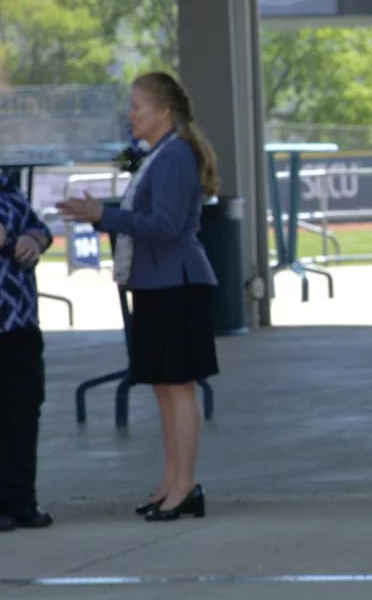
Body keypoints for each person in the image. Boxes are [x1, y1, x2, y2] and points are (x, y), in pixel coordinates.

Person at [57, 72, 219, 522]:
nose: (131, 116)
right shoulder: (161, 155)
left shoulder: (173, 158)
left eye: (138, 108)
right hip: (155, 282)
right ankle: (173, 481)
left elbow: (165, 227)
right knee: (165, 386)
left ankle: (185, 485)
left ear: (163, 113)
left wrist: (106, 216)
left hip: (175, 282)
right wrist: (102, 216)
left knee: (178, 386)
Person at [0, 169, 54, 532]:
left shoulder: (6, 184)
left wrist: (33, 240)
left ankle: (21, 500)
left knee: (22, 409)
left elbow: (39, 226)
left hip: (19, 321)